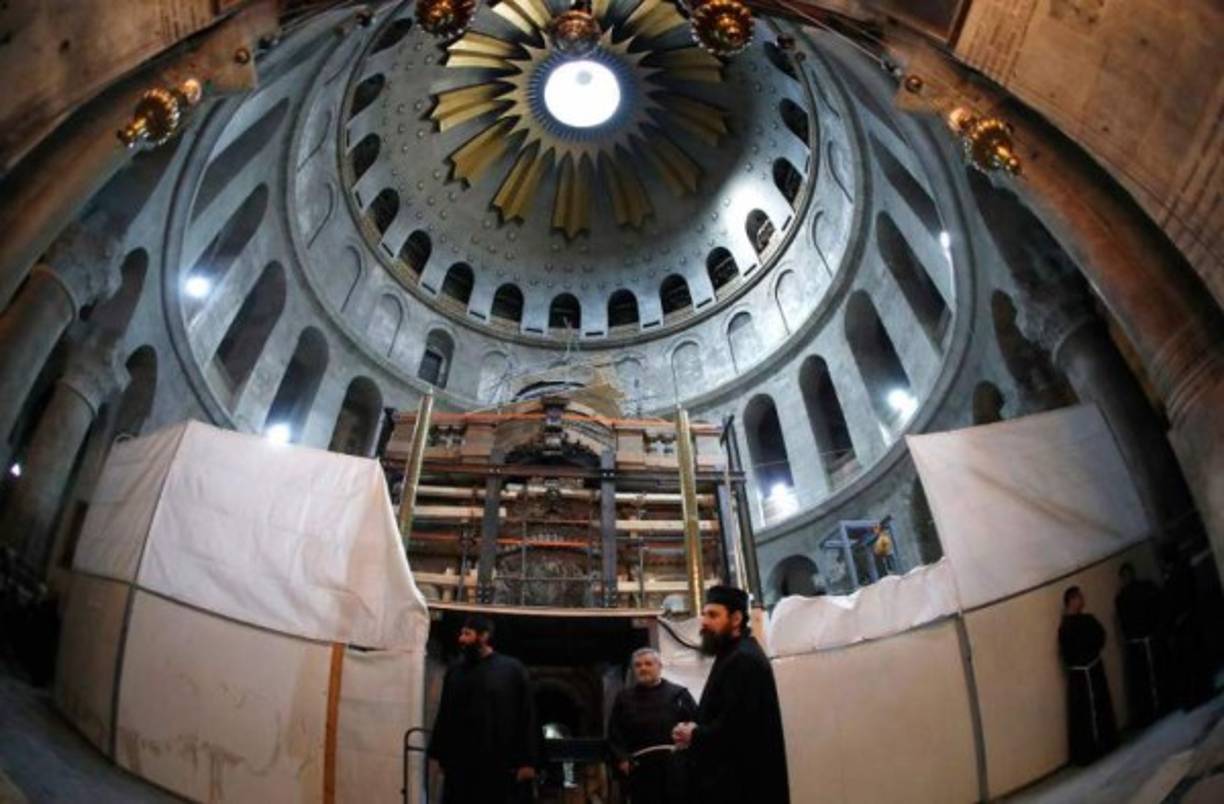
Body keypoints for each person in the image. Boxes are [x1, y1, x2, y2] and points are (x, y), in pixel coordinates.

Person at [672, 586, 789, 804]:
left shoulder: (743, 659)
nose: (704, 622)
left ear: (735, 618)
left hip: (743, 788)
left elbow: (739, 729)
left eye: (713, 615)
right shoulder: (733, 654)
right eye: (704, 614)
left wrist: (694, 735)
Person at [428, 615, 539, 803]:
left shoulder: (511, 670)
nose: (461, 639)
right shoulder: (455, 671)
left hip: (498, 766)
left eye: (467, 634)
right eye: (461, 633)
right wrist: (442, 754)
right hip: (461, 765)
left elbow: (527, 715)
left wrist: (528, 761)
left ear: (484, 636)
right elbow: (446, 713)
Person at [608, 647, 698, 804]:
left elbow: (697, 726)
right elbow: (615, 733)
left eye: (648, 664)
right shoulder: (624, 699)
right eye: (638, 665)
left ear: (659, 666)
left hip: (675, 767)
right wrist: (622, 758)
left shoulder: (679, 694)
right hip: (641, 769)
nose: (643, 668)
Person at [1058, 586, 1118, 765]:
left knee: (1100, 705)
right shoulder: (1065, 628)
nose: (1083, 600)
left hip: (1092, 669)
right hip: (1081, 676)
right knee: (1083, 714)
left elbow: (1101, 637)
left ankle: (1105, 742)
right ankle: (1088, 750)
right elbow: (1067, 654)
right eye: (1080, 597)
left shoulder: (1088, 620)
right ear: (1072, 600)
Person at [1114, 563, 1167, 727]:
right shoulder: (1126, 596)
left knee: (1151, 674)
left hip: (1143, 640)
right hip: (1144, 640)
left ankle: (1155, 707)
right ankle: (1157, 706)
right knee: (1150, 675)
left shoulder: (1124, 597)